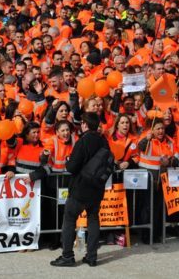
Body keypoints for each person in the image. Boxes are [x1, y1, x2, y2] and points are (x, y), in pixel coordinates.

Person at [51, 112, 112, 268]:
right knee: (93, 220)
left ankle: (67, 256)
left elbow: (72, 168)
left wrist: (68, 161)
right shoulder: (103, 141)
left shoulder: (82, 141)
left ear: (84, 124)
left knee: (69, 219)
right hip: (97, 188)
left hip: (80, 188)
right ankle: (91, 257)